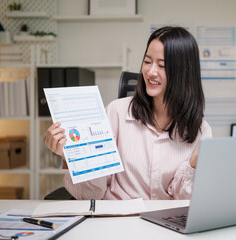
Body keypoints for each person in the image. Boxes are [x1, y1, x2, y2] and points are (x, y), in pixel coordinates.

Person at [45, 26, 212, 200]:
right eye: (147, 62)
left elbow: (185, 202)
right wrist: (74, 158)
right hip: (117, 220)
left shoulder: (200, 129)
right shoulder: (116, 112)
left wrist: (193, 166)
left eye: (162, 65)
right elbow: (91, 195)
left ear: (183, 73)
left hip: (166, 224)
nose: (151, 71)